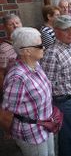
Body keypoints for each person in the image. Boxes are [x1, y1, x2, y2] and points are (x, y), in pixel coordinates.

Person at [2, 27, 54, 156]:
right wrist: (9, 132)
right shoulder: (17, 78)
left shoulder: (36, 64)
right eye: (40, 45)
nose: (44, 48)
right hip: (32, 134)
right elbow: (5, 115)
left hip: (46, 125)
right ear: (27, 51)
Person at [40, 15, 71, 156]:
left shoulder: (69, 44)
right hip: (64, 102)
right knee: (67, 137)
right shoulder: (53, 53)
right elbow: (47, 85)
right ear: (56, 31)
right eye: (66, 30)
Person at [0, 14, 22, 91]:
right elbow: (1, 73)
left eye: (17, 23)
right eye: (11, 24)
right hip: (14, 88)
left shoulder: (26, 42)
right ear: (5, 28)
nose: (15, 26)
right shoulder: (3, 49)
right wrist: (4, 91)